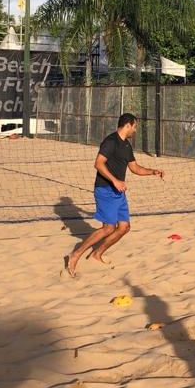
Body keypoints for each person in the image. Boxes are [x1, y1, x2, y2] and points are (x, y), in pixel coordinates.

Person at [64, 113, 163, 277]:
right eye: (134, 126)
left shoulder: (126, 145)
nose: (135, 130)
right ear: (128, 125)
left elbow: (135, 168)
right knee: (108, 228)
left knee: (124, 227)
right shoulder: (110, 141)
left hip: (119, 192)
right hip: (105, 189)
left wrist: (153, 171)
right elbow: (98, 163)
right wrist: (115, 180)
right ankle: (75, 254)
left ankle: (97, 254)